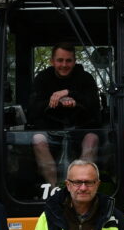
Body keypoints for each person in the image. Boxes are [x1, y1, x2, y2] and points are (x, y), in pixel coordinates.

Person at [27, 43, 101, 185]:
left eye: (68, 61)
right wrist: (55, 102)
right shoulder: (42, 79)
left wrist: (69, 94)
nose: (64, 65)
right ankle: (53, 189)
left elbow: (94, 106)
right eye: (60, 60)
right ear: (52, 61)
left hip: (80, 130)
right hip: (50, 132)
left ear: (74, 61)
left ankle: (80, 185)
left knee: (92, 139)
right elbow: (33, 109)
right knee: (37, 139)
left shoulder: (85, 78)